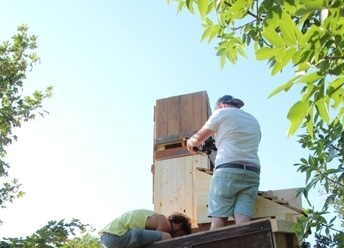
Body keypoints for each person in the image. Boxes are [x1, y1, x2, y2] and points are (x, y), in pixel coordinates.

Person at [186, 95, 261, 230]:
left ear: (221, 106)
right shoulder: (253, 120)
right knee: (243, 220)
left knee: (218, 221)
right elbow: (235, 139)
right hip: (252, 172)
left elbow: (197, 139)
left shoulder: (221, 113)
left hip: (228, 170)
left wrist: (189, 143)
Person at [98, 209, 192, 248]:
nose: (178, 238)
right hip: (116, 236)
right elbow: (156, 245)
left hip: (107, 238)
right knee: (167, 238)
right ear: (179, 225)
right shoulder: (165, 223)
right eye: (181, 235)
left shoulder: (155, 217)